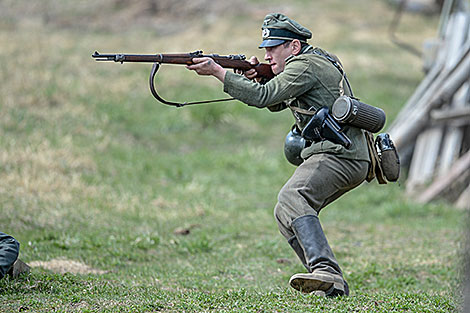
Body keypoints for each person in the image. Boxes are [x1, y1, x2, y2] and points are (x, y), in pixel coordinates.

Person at [187, 13, 370, 297]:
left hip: (340, 154)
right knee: (285, 212)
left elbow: (265, 97)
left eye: (274, 48)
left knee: (291, 198)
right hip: (346, 153)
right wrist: (254, 78)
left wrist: (218, 72)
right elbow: (275, 101)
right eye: (266, 49)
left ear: (294, 47)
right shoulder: (311, 60)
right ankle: (328, 284)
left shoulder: (304, 66)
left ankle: (326, 271)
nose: (268, 54)